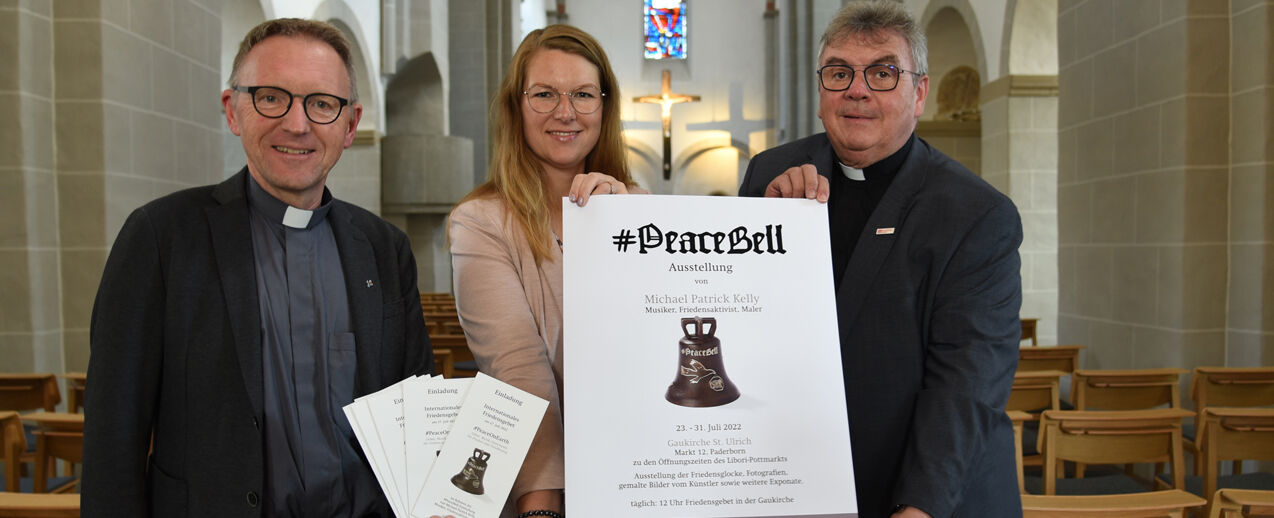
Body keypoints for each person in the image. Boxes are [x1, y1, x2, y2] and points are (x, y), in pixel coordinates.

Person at [82, 19, 432, 517]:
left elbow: (415, 417)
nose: (296, 123)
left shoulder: (383, 249)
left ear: (350, 124)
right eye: (271, 97)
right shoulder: (161, 238)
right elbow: (113, 440)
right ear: (233, 110)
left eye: (321, 103)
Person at [738, 2, 1022, 517]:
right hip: (792, 477)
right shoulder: (770, 174)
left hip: (929, 490)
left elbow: (966, 383)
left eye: (883, 73)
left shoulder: (977, 215)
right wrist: (764, 228)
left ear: (919, 93)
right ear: (822, 88)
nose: (857, 89)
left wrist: (919, 506)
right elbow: (737, 311)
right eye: (840, 72)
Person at [448, 24, 639, 518]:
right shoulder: (480, 221)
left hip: (644, 469)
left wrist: (622, 229)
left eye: (582, 94)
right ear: (517, 106)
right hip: (542, 484)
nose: (565, 112)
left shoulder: (642, 210)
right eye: (544, 95)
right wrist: (543, 505)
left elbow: (648, 348)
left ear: (605, 105)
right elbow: (518, 371)